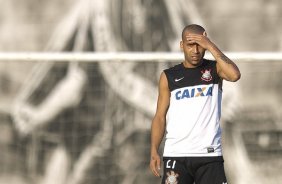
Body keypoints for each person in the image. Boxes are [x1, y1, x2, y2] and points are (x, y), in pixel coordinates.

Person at [150, 24, 241, 184]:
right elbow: (160, 117)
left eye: (199, 45)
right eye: (190, 45)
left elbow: (234, 75)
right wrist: (154, 150)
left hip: (209, 156)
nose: (196, 50)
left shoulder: (215, 70)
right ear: (182, 45)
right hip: (176, 156)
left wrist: (211, 45)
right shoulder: (168, 76)